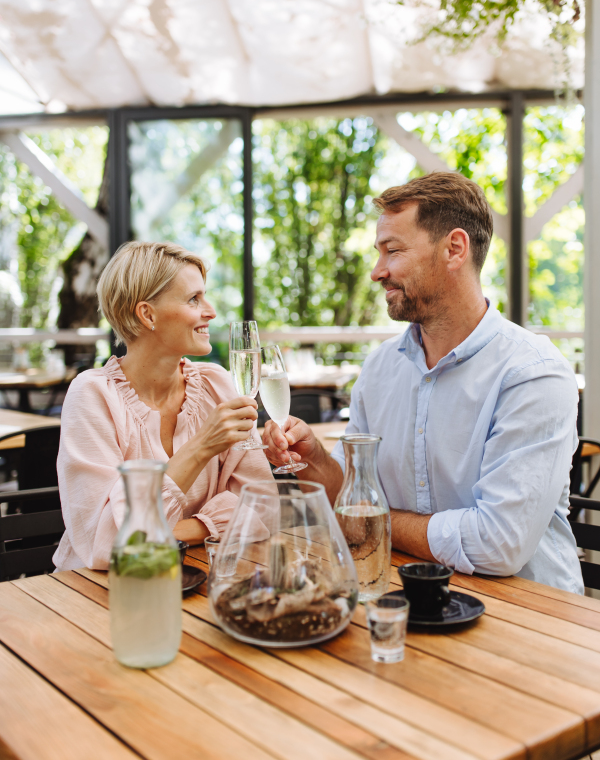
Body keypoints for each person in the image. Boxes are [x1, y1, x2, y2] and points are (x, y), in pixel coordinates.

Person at [263, 171, 584, 594]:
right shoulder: (379, 370)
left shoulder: (533, 373)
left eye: (392, 251)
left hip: (530, 617)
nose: (377, 272)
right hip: (404, 595)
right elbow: (350, 494)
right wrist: (316, 461)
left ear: (454, 249)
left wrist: (374, 520)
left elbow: (498, 545)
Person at [54, 241, 271, 571]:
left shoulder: (217, 382)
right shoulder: (93, 396)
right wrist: (201, 447)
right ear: (147, 314)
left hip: (195, 576)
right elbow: (108, 546)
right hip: (93, 593)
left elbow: (263, 508)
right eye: (193, 299)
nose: (210, 311)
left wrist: (164, 534)